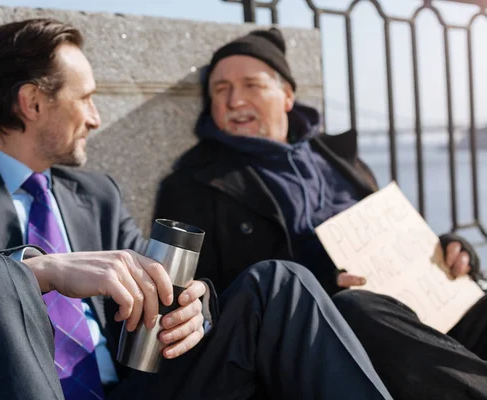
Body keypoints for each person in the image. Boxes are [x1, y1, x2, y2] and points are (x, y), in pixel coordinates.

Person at [0, 19, 391, 399]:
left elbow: (156, 292)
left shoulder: (96, 193)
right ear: (32, 103)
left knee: (281, 283)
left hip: (133, 390)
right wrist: (36, 271)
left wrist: (196, 307)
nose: (96, 117)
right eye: (84, 99)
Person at [154, 27, 487, 400]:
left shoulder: (342, 161)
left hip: (412, 313)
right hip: (325, 336)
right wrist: (324, 280)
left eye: (251, 85)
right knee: (355, 309)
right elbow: (197, 302)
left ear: (287, 96)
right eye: (220, 89)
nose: (233, 100)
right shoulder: (193, 184)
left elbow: (397, 239)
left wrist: (448, 251)